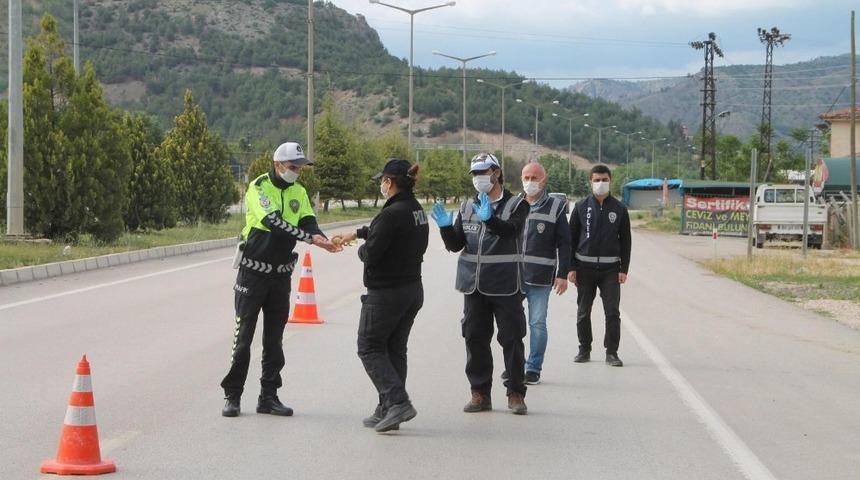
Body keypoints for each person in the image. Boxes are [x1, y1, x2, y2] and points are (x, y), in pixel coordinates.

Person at [220, 141, 341, 418]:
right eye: (292, 166)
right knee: (243, 338)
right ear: (277, 165)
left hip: (280, 276)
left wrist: (321, 237)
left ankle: (269, 396)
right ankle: (233, 395)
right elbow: (274, 223)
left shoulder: (299, 191)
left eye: (300, 167)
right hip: (252, 274)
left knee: (274, 341)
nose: (297, 171)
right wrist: (310, 239)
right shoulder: (259, 187)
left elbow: (308, 221)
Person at [331, 159, 429, 433]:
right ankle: (387, 408)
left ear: (389, 182)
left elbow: (371, 253)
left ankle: (398, 402)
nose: (381, 185)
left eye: (383, 181)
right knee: (394, 350)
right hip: (411, 289)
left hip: (387, 293)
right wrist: (357, 232)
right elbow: (385, 231)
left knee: (369, 346)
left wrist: (361, 248)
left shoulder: (392, 214)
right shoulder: (415, 210)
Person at [430, 152, 530, 415]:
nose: (478, 178)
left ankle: (515, 393)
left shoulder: (517, 205)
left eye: (483, 172)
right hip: (473, 285)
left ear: (496, 173)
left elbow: (511, 231)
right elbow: (456, 245)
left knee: (511, 339)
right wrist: (445, 228)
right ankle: (480, 393)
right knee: (474, 338)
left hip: (506, 284)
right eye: (474, 174)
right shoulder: (467, 207)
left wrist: (490, 219)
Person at [568, 164, 631, 367]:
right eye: (597, 180)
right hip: (584, 269)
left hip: (610, 270)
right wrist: (571, 267)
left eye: (604, 180)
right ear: (590, 182)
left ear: (610, 181)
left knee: (612, 312)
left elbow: (626, 241)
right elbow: (570, 240)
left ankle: (612, 352)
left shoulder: (619, 209)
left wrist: (623, 269)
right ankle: (584, 349)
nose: (600, 183)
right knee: (583, 311)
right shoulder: (580, 207)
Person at [517, 162, 571, 384]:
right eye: (526, 177)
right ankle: (515, 364)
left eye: (535, 177)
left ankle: (533, 368)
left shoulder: (555, 207)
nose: (530, 181)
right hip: (513, 277)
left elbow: (565, 243)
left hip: (541, 277)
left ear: (544, 180)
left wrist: (563, 274)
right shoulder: (514, 204)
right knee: (511, 324)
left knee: (537, 324)